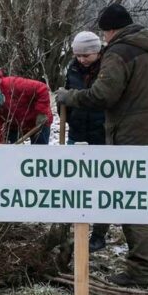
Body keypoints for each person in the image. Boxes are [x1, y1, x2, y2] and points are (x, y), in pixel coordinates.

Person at [56, 4, 148, 288]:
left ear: (110, 30)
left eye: (105, 33)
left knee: (131, 204)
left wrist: (70, 97)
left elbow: (102, 95)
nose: (105, 39)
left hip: (133, 136)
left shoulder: (119, 51)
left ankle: (138, 271)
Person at [64, 31, 110, 252]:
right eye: (78, 55)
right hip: (77, 133)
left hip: (101, 134)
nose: (82, 59)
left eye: (87, 55)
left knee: (101, 186)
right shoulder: (72, 68)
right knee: (75, 183)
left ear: (98, 51)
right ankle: (73, 227)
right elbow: (68, 94)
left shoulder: (108, 67)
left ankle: (99, 234)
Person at [0, 69, 53, 145]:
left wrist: (42, 113)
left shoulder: (12, 84)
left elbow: (42, 88)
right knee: (11, 154)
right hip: (14, 125)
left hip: (38, 121)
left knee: (39, 153)